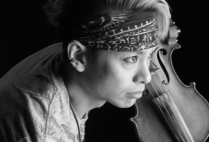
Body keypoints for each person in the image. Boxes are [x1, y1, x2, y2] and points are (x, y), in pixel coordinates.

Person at [0, 0, 171, 141]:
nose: (147, 77)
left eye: (149, 56)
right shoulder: (45, 131)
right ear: (78, 57)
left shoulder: (64, 56)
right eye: (131, 59)